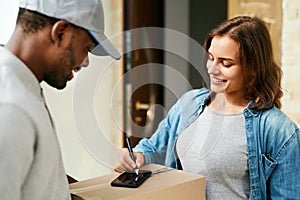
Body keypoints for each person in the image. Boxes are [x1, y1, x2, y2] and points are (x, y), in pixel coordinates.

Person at [115, 16, 300, 199]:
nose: (212, 69)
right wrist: (137, 156)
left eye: (225, 63)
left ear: (253, 68)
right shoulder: (189, 104)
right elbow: (155, 147)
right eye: (211, 58)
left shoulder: (280, 131)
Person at [0, 0, 120, 199]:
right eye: (87, 48)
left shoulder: (22, 85)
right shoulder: (11, 108)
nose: (86, 62)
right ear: (60, 33)